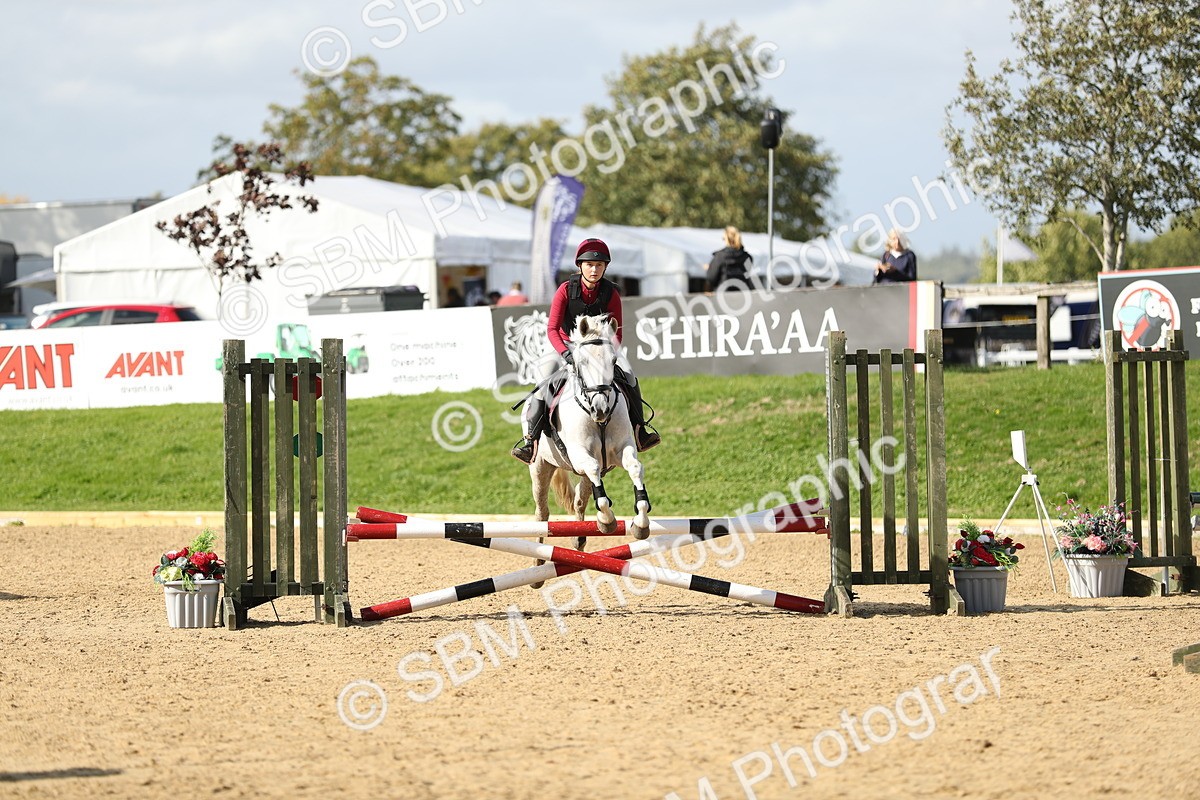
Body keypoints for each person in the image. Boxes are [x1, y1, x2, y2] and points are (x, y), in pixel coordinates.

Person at [510, 238, 660, 464]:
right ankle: (531, 441)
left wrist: (609, 355)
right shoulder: (565, 291)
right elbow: (552, 328)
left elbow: (616, 332)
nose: (594, 269)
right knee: (544, 381)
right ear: (580, 266)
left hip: (598, 350)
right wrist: (565, 353)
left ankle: (641, 432)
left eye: (599, 266)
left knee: (629, 376)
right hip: (565, 345)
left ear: (605, 268)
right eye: (589, 265)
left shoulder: (611, 293)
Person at [705, 226, 753, 291]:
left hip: (723, 296)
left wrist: (709, 268)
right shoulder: (747, 257)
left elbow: (711, 278)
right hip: (743, 296)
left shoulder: (720, 256)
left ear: (726, 238)